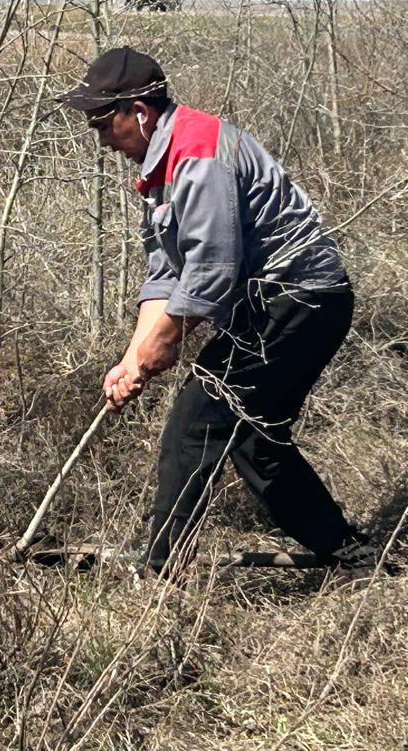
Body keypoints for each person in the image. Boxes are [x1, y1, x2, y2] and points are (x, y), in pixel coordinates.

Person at [57, 47, 376, 578]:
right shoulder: (161, 167)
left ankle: (160, 571)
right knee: (254, 438)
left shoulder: (198, 153)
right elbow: (165, 271)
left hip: (300, 296)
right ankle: (352, 555)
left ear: (140, 111)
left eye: (102, 120)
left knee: (197, 423)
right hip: (272, 304)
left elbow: (212, 268)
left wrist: (162, 344)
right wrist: (132, 356)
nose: (99, 136)